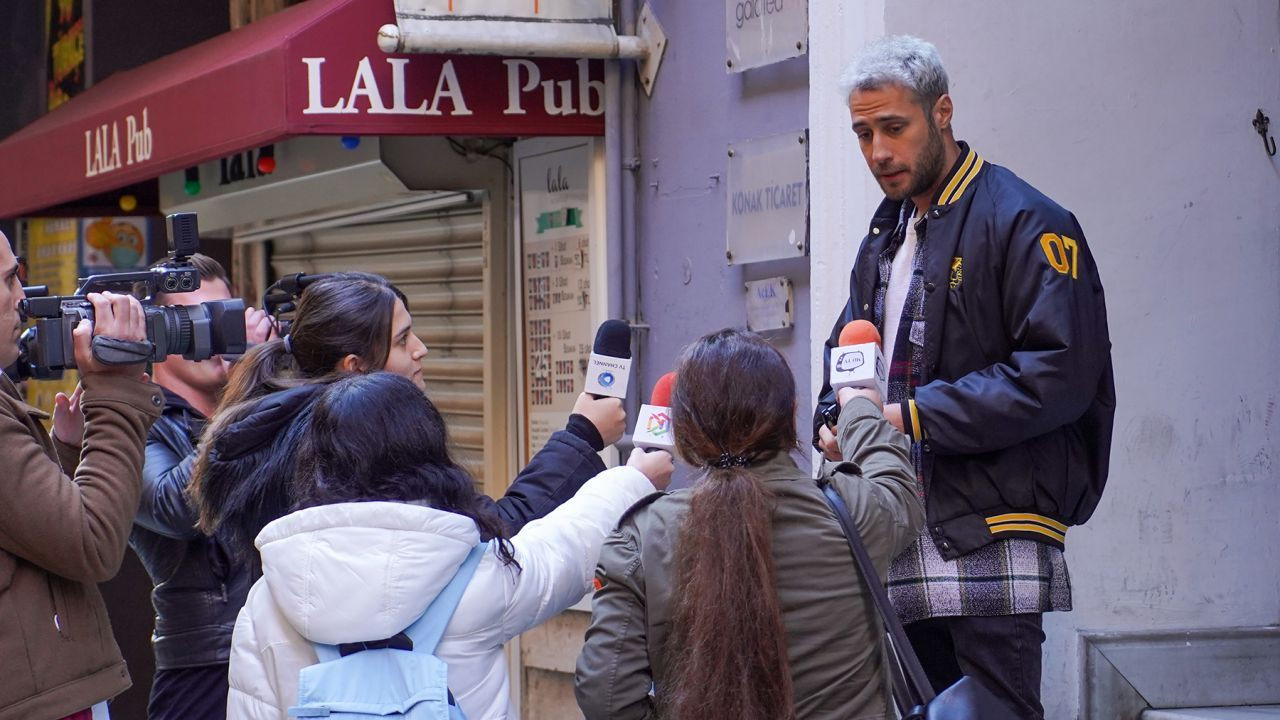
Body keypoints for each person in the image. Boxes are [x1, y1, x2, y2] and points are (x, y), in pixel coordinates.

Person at [813, 36, 1116, 718]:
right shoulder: (885, 237)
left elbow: (1059, 374)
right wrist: (832, 424)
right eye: (863, 133)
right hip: (896, 526)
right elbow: (848, 359)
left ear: (942, 112)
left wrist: (907, 418)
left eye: (894, 127)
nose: (878, 152)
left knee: (995, 712)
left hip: (993, 527)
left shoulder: (1027, 219)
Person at [224, 372, 673, 719]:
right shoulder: (470, 577)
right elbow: (566, 546)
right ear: (426, 454)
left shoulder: (267, 603)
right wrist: (634, 478)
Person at [576, 329, 923, 720]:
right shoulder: (853, 510)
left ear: (684, 431)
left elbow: (604, 697)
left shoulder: (639, 540)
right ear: (791, 415)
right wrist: (859, 406)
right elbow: (895, 484)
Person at [191, 271, 626, 561]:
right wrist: (582, 437)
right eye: (402, 340)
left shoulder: (271, 437)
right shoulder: (368, 449)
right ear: (355, 365)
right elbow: (488, 539)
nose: (421, 349)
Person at [0, 234, 164, 720]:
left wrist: (67, 456)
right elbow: (92, 544)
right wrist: (115, 391)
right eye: (8, 280)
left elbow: (32, 533)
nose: (22, 298)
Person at [129, 254, 275, 720]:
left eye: (225, 314)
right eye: (200, 320)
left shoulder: (261, 400)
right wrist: (250, 385)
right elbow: (178, 509)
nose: (219, 332)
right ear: (160, 333)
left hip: (288, 648)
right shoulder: (133, 422)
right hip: (207, 665)